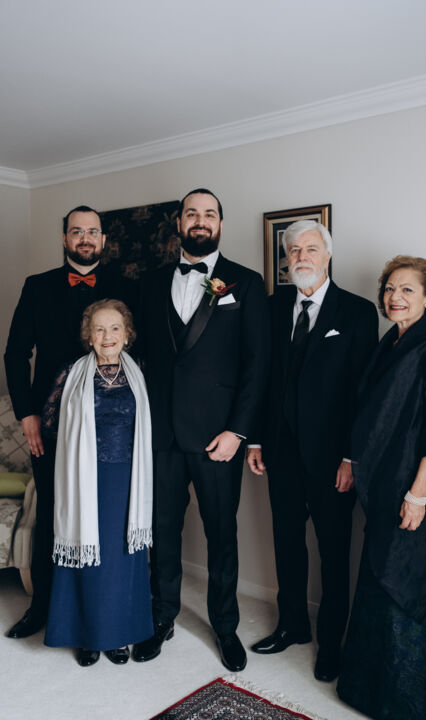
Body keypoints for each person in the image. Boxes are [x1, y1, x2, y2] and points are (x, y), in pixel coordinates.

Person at [337, 256, 426, 719]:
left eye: (407, 290)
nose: (394, 298)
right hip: (382, 483)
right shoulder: (388, 344)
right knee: (379, 573)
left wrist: (417, 495)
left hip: (414, 486)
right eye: (389, 289)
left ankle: (412, 703)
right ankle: (372, 691)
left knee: (408, 577)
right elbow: (368, 415)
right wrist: (354, 461)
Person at [135, 188, 270, 672]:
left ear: (220, 223)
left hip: (218, 437)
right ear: (179, 223)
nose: (200, 220)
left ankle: (225, 627)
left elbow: (258, 365)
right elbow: (139, 356)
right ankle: (161, 617)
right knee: (162, 532)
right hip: (160, 435)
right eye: (191, 213)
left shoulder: (246, 283)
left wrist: (238, 431)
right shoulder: (149, 283)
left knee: (221, 535)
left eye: (209, 213)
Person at [247, 220, 378, 682]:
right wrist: (256, 439)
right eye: (294, 250)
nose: (301, 257)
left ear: (327, 255)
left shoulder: (358, 312)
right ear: (286, 259)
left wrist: (352, 457)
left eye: (311, 249)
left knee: (334, 550)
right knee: (286, 542)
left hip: (333, 459)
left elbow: (364, 391)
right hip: (279, 450)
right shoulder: (272, 307)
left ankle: (330, 644)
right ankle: (292, 625)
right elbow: (260, 377)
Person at [4, 206, 136, 639]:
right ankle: (43, 607)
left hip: (111, 425)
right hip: (51, 422)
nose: (85, 238)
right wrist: (26, 413)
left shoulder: (126, 286)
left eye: (92, 231)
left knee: (108, 518)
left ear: (103, 239)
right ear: (64, 239)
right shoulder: (37, 286)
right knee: (53, 513)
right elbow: (15, 353)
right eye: (76, 231)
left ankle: (104, 612)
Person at [42, 299, 153, 666]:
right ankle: (88, 637)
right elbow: (50, 423)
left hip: (127, 479)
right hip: (84, 478)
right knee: (88, 558)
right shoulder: (71, 373)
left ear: (127, 334)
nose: (108, 336)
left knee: (121, 559)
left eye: (115, 328)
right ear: (88, 336)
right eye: (99, 329)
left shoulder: (140, 372)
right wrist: (78, 453)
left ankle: (118, 636)